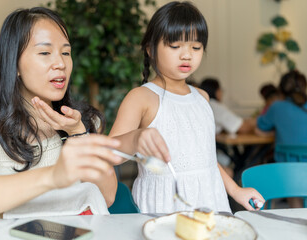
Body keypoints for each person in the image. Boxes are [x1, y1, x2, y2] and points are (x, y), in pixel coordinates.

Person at [0, 7, 124, 218]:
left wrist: (78, 133)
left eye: (66, 53)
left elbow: (107, 196)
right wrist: (52, 176)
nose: (60, 64)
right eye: (45, 52)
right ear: (15, 64)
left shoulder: (82, 121)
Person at [109, 1, 264, 213]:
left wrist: (236, 190)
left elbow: (207, 160)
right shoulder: (141, 97)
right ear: (150, 49)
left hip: (211, 200)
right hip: (163, 205)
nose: (187, 55)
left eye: (196, 47)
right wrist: (136, 138)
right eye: (175, 46)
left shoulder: (202, 97)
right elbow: (111, 153)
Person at [257, 70, 307, 208]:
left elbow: (259, 127)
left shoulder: (277, 107)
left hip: (287, 171)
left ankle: (296, 214)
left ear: (281, 89)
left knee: (292, 175)